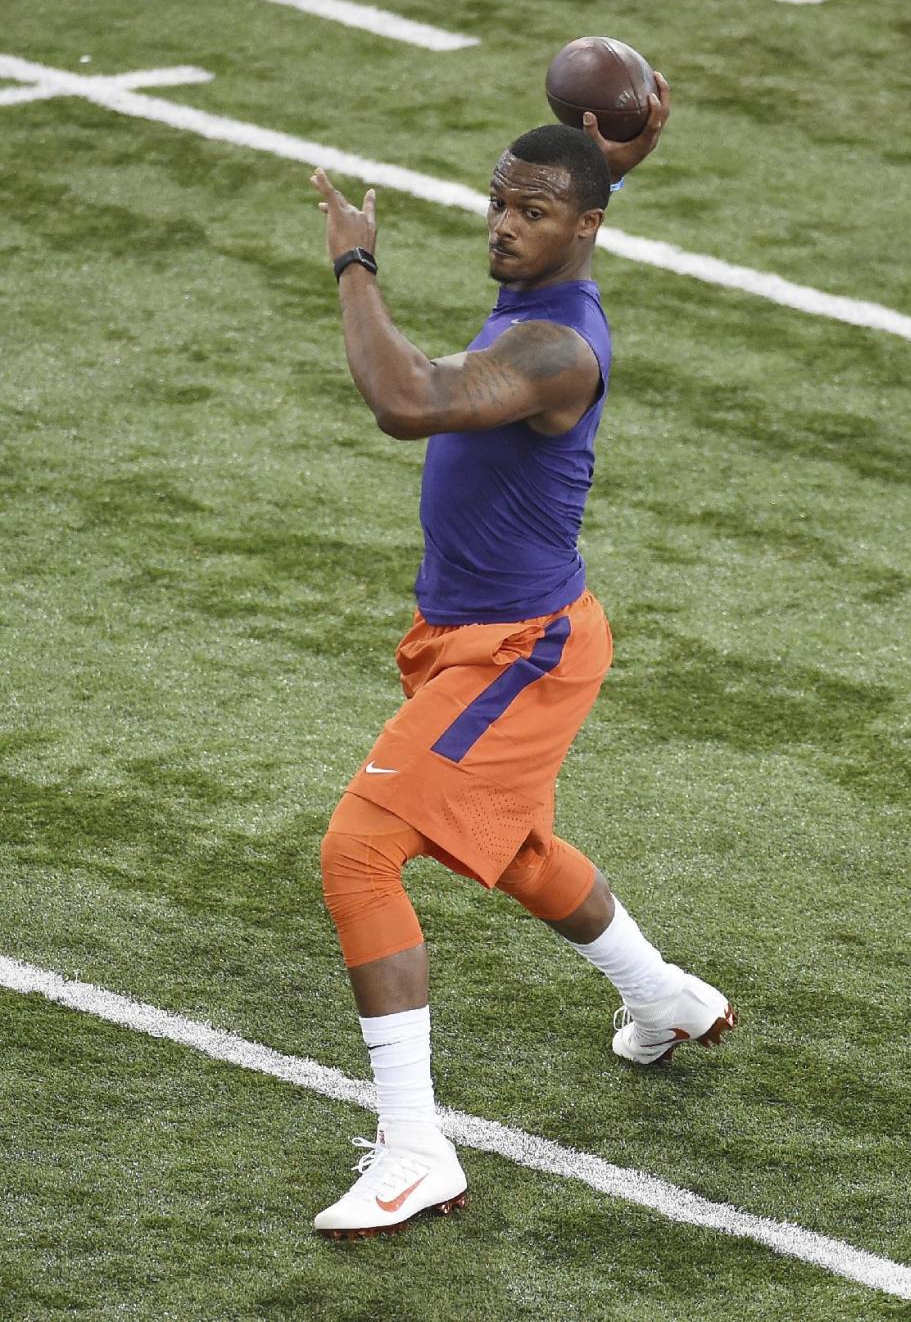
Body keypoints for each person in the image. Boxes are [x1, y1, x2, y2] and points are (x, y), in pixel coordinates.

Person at [309, 80, 735, 1240]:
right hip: (471, 634)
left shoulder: (554, 348)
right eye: (499, 201)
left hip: (521, 651)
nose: (504, 223)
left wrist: (355, 263)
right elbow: (562, 223)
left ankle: (414, 1148)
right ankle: (662, 997)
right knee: (518, 847)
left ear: (581, 228)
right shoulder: (545, 279)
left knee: (361, 852)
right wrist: (596, 169)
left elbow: (406, 400)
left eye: (533, 210)